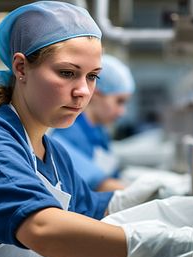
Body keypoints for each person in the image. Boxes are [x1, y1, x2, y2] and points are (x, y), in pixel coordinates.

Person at [0, 1, 193, 257]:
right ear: (21, 67)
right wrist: (181, 243)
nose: (83, 91)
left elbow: (88, 211)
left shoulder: (51, 152)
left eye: (92, 76)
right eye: (67, 73)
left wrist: (172, 205)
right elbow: (43, 228)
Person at [50, 54, 134, 192]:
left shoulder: (99, 132)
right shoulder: (69, 130)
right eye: (119, 101)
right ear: (95, 93)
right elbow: (97, 184)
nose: (122, 112)